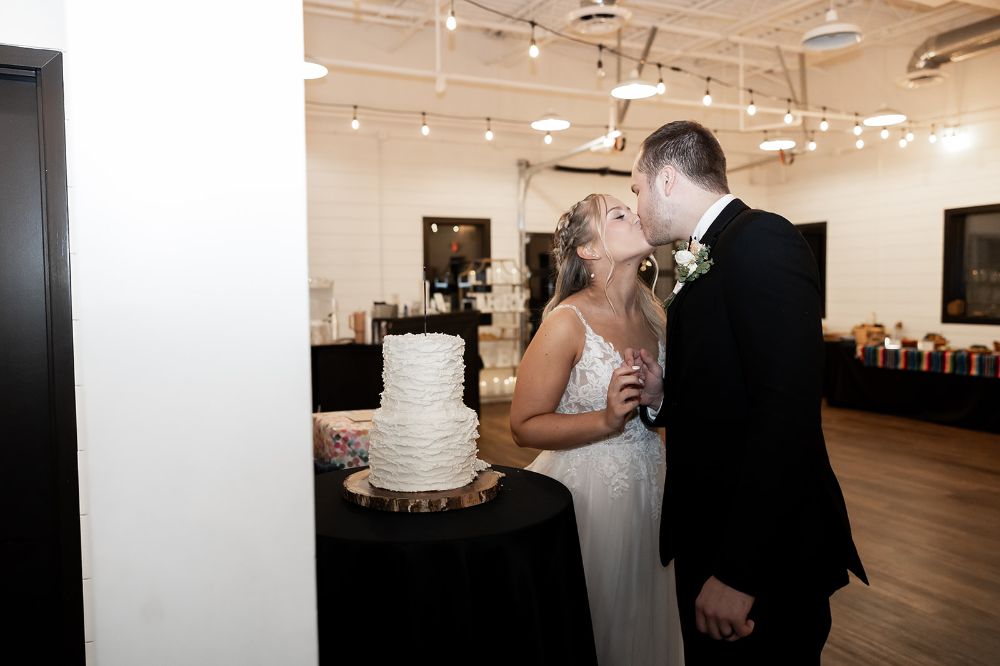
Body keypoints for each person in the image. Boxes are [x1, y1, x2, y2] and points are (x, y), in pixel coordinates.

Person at [628, 120, 867, 665]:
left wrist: (739, 571)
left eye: (636, 187)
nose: (635, 201)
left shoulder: (762, 239)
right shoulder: (712, 249)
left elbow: (787, 417)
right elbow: (731, 391)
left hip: (761, 562)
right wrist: (665, 393)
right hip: (715, 535)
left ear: (667, 180)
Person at [510, 194, 683, 666]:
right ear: (589, 250)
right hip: (589, 496)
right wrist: (606, 420)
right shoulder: (568, 322)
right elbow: (523, 425)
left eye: (632, 209)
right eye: (618, 215)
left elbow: (663, 408)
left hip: (651, 488)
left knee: (641, 620)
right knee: (595, 621)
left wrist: (657, 396)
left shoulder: (657, 318)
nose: (635, 215)